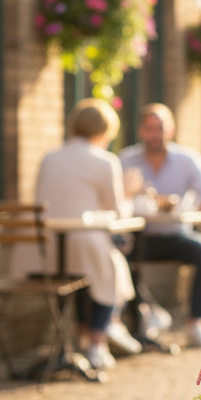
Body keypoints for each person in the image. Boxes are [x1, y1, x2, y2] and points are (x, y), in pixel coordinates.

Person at [26, 99, 136, 370]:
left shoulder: (49, 157)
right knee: (113, 267)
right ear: (104, 130)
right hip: (83, 243)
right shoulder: (105, 161)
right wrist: (130, 192)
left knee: (84, 273)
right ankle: (97, 338)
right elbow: (118, 212)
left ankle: (84, 336)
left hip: (41, 249)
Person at [118, 103, 201, 348]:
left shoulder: (188, 160)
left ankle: (195, 323)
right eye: (150, 128)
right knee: (117, 257)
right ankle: (146, 312)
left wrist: (187, 206)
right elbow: (114, 201)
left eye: (160, 128)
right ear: (141, 130)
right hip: (138, 237)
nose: (155, 134)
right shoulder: (126, 159)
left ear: (171, 130)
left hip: (176, 235)